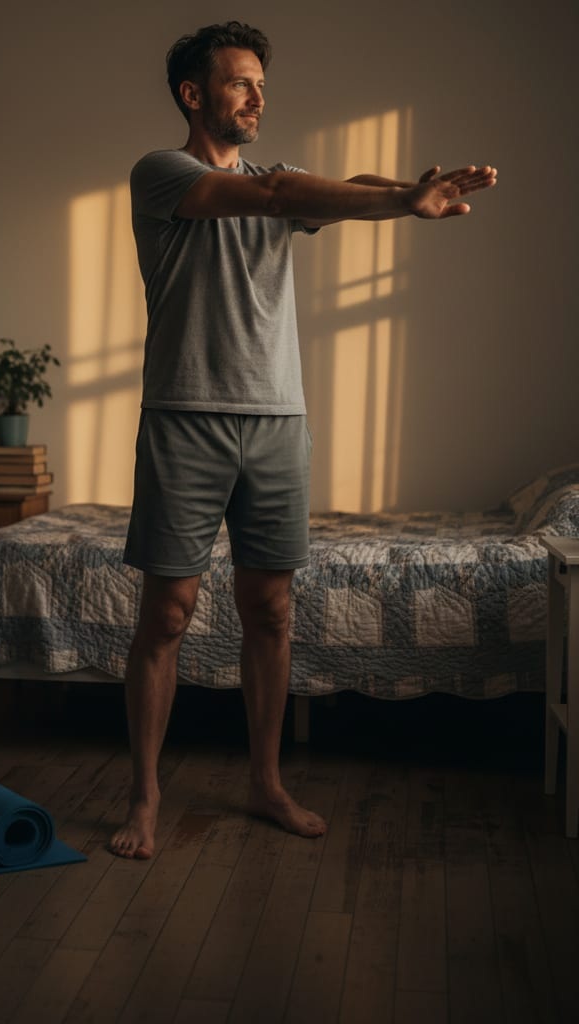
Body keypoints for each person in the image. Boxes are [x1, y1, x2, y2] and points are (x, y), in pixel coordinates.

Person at [110, 20, 496, 859]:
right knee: (167, 617)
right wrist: (402, 202)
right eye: (241, 82)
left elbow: (321, 186)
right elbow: (283, 197)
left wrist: (406, 185)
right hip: (185, 420)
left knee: (271, 611)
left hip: (279, 422)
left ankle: (266, 781)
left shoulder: (275, 180)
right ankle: (143, 796)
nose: (257, 96)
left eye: (260, 84)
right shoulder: (162, 175)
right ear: (194, 93)